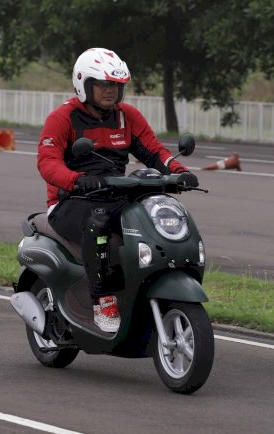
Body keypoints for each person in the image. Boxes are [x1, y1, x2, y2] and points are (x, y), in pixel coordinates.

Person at [36, 48, 199, 333]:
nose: (111, 91)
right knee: (97, 224)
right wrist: (77, 179)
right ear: (84, 84)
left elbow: (153, 151)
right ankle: (104, 300)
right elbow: (47, 163)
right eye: (103, 84)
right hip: (71, 201)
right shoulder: (62, 118)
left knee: (157, 215)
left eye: (116, 85)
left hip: (115, 194)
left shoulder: (127, 116)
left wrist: (179, 172)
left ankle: (145, 288)